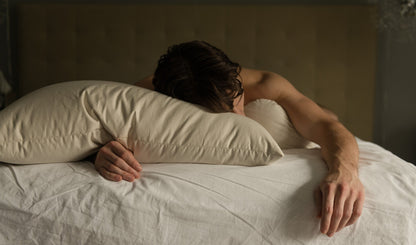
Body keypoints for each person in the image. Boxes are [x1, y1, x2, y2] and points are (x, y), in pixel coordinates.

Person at [93, 40, 365, 237]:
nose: (240, 118)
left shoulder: (265, 84)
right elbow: (93, 134)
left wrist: (345, 171)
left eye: (238, 102)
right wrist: (101, 153)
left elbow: (325, 124)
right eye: (224, 115)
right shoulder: (144, 98)